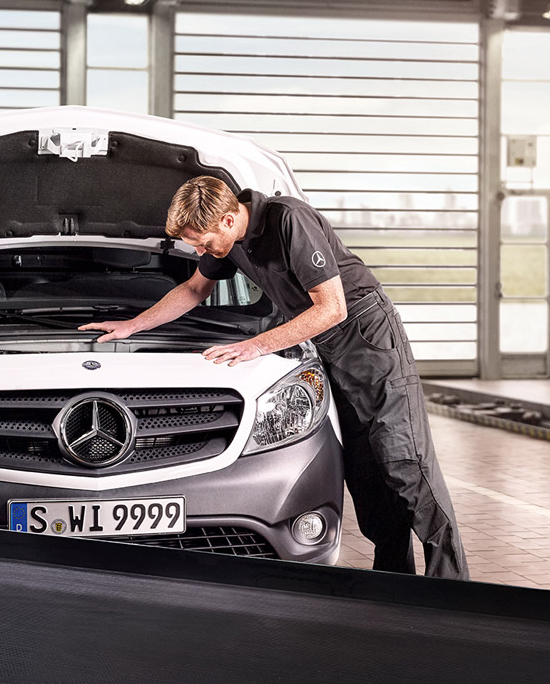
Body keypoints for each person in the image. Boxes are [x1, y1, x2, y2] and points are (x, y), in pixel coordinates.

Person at [79, 176, 468, 579]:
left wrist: (256, 346)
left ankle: (454, 588)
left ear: (229, 220)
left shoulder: (289, 221)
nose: (199, 251)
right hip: (330, 347)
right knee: (366, 473)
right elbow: (195, 289)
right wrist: (133, 325)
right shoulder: (230, 237)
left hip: (368, 341)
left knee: (405, 461)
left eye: (203, 242)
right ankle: (396, 583)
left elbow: (333, 309)